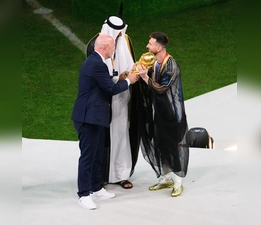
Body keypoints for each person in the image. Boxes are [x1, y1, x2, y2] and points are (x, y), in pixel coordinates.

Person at [71, 34, 144, 210]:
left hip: (96, 117)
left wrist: (120, 79)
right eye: (112, 47)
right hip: (88, 118)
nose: (113, 50)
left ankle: (96, 187)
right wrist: (129, 81)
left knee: (98, 155)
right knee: (88, 157)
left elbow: (103, 84)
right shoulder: (96, 63)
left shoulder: (97, 62)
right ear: (104, 47)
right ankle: (84, 194)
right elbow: (110, 89)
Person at [86, 15, 138, 189]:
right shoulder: (96, 45)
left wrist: (126, 77)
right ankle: (100, 177)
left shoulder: (125, 41)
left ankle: (121, 174)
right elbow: (98, 76)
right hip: (103, 100)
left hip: (121, 98)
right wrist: (120, 79)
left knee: (121, 134)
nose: (118, 38)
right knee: (101, 139)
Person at [137, 32, 189, 197]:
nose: (147, 46)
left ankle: (178, 182)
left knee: (173, 147)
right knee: (159, 145)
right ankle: (166, 178)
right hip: (159, 111)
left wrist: (145, 77)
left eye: (150, 43)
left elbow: (161, 88)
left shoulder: (171, 65)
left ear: (158, 48)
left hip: (173, 114)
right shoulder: (155, 63)